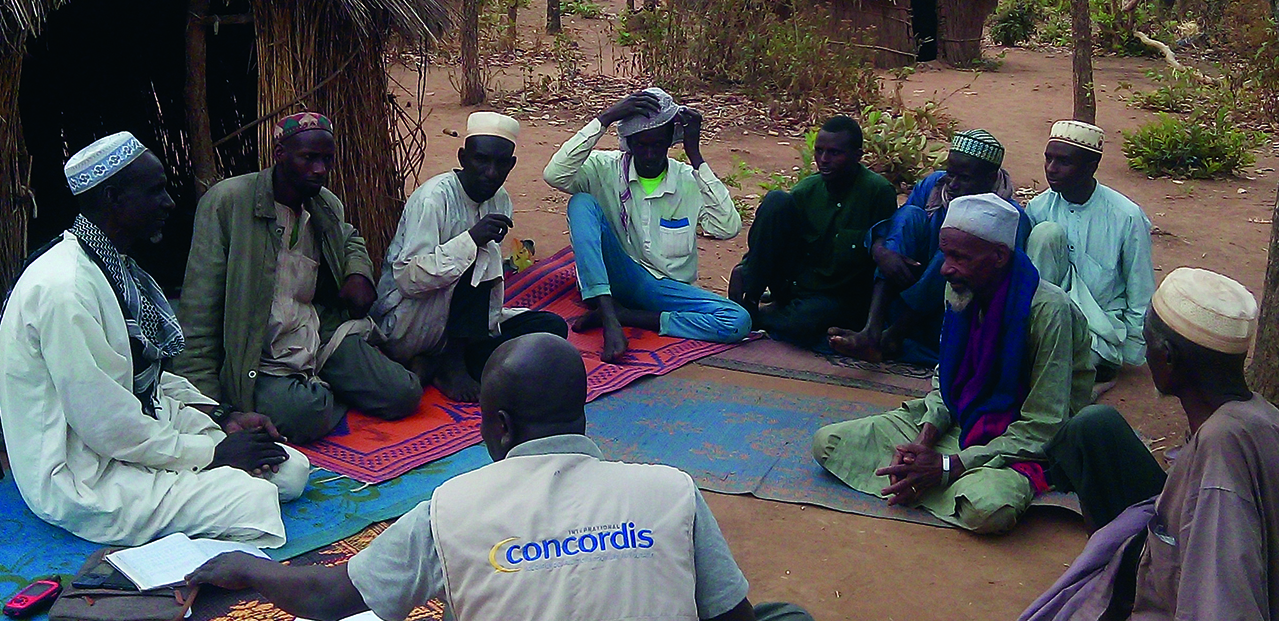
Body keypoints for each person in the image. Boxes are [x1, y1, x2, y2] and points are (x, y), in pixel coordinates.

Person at [188, 333, 814, 621]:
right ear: (580, 412)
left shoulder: (450, 509)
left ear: (501, 427)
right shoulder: (671, 490)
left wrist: (247, 569)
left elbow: (329, 597)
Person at [0, 132, 309, 548]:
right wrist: (212, 455)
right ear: (113, 199)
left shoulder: (110, 266)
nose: (169, 203)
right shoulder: (65, 289)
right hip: (84, 469)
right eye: (155, 191)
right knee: (251, 499)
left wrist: (222, 416)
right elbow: (105, 425)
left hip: (135, 427)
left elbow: (145, 376)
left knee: (291, 470)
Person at [1018, 268, 1279, 621]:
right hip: (1256, 578)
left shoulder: (1220, 455)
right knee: (1094, 429)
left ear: (1168, 356)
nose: (1145, 357)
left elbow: (1222, 605)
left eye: (1147, 343)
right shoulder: (1263, 416)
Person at [811, 194, 1093, 534]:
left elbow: (1045, 425)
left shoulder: (1048, 311)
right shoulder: (959, 290)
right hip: (959, 421)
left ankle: (936, 480)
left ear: (999, 257)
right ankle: (930, 480)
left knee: (987, 509)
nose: (945, 268)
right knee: (829, 443)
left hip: (1016, 443)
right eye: (945, 255)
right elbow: (945, 382)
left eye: (960, 257)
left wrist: (948, 466)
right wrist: (923, 442)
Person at [177, 112, 419, 445]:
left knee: (403, 394)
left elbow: (349, 237)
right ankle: (315, 393)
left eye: (327, 160)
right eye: (309, 158)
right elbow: (199, 306)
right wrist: (208, 402)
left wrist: (357, 272)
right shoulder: (227, 203)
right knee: (306, 413)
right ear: (279, 154)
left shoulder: (324, 203)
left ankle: (317, 387)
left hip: (314, 331)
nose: (320, 169)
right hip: (257, 350)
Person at [370, 112, 570, 401]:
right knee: (477, 258)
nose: (491, 173)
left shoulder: (500, 200)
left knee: (550, 331)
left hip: (465, 329)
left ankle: (443, 364)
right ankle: (453, 365)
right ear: (463, 157)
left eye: (501, 164)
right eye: (482, 160)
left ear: (512, 165)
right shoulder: (433, 199)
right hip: (414, 320)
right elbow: (407, 279)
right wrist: (470, 240)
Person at [543, 88, 749, 362]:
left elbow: (727, 227)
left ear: (670, 141)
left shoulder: (688, 180)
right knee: (581, 203)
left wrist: (696, 156)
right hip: (617, 277)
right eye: (642, 145)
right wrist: (605, 118)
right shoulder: (605, 168)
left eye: (658, 144)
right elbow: (555, 174)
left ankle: (629, 316)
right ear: (628, 143)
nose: (650, 154)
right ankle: (608, 315)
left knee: (737, 320)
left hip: (663, 288)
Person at [831, 129, 1024, 363]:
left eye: (964, 178)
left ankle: (893, 337)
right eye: (950, 174)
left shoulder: (1009, 216)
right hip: (906, 291)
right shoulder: (935, 185)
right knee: (910, 214)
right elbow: (896, 226)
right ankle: (872, 330)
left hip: (953, 310)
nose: (952, 184)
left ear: (990, 178)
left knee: (954, 253)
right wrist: (882, 252)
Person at [728, 116, 897, 350]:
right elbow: (774, 240)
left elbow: (883, 258)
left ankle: (762, 318)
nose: (824, 160)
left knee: (804, 322)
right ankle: (752, 302)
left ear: (857, 156)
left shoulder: (877, 192)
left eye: (834, 153)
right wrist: (746, 269)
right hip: (798, 284)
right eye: (819, 151)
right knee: (776, 201)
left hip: (840, 296)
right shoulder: (806, 190)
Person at [1026, 121, 1153, 392]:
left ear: (1091, 166)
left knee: (1056, 370)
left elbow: (1140, 286)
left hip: (1100, 328)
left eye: (1064, 162)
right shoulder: (1038, 208)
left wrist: (1131, 351)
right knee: (1046, 234)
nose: (1051, 169)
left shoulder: (1126, 215)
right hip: (1047, 322)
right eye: (1048, 158)